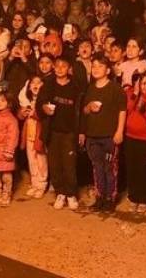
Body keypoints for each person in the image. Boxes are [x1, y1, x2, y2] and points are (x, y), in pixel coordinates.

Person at [80, 56, 126, 212]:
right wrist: (89, 107)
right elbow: (84, 110)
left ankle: (110, 198)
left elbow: (122, 111)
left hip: (109, 137)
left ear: (107, 70)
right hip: (92, 136)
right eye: (94, 66)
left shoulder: (115, 89)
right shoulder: (90, 88)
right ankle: (100, 197)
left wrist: (119, 131)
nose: (96, 69)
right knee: (97, 167)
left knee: (110, 167)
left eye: (100, 66)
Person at [40, 57, 84, 210]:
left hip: (70, 132)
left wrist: (81, 131)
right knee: (55, 164)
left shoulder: (75, 86)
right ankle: (60, 193)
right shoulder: (48, 84)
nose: (59, 69)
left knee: (69, 165)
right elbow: (40, 103)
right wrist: (44, 108)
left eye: (63, 66)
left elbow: (81, 111)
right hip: (52, 131)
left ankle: (71, 194)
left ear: (69, 68)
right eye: (57, 66)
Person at [123, 71, 146, 212]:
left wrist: (143, 107)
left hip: (145, 138)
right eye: (143, 83)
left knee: (143, 169)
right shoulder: (130, 94)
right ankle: (133, 197)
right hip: (130, 136)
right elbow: (127, 109)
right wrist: (136, 94)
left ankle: (144, 199)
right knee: (132, 168)